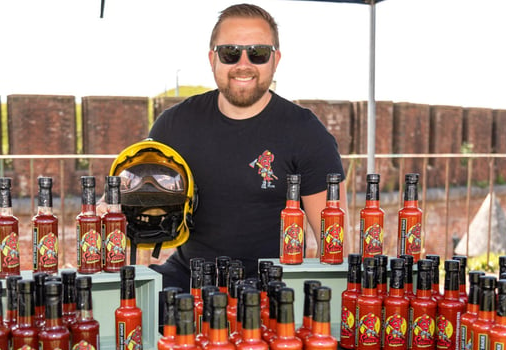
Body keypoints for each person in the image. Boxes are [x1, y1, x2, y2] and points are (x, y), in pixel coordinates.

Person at [123, 3, 347, 291]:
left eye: (258, 53)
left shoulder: (306, 132)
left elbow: (336, 247)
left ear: (275, 60)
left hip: (273, 286)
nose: (244, 64)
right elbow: (130, 199)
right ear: (212, 58)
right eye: (230, 53)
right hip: (188, 279)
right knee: (128, 305)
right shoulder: (174, 124)